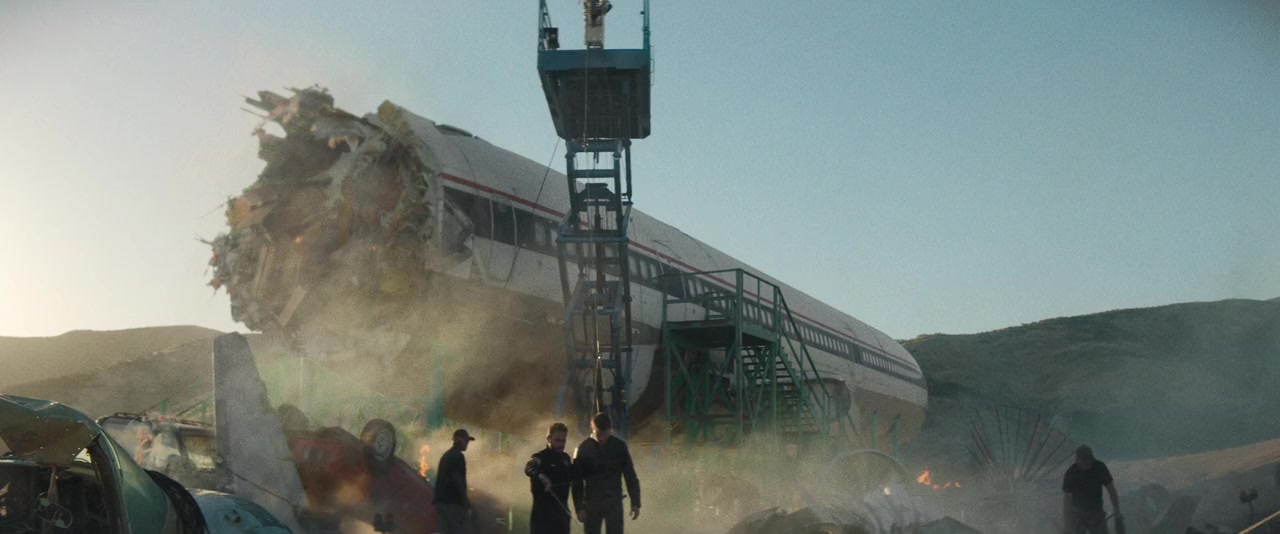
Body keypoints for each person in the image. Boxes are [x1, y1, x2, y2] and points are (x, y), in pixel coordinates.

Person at [571, 413, 640, 534]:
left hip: (614, 502)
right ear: (592, 429)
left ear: (610, 429)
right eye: (598, 433)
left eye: (605, 433)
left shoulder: (619, 447)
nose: (601, 438)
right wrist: (579, 508)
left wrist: (635, 502)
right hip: (592, 504)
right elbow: (577, 482)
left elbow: (630, 476)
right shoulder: (583, 449)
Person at [525, 422, 574, 534]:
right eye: (557, 440)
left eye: (563, 441)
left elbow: (575, 476)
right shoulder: (540, 457)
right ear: (549, 439)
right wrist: (541, 476)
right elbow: (529, 467)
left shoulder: (565, 459)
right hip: (542, 518)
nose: (561, 444)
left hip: (562, 518)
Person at [1063, 445, 1121, 534]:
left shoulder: (1100, 468)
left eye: (1089, 460)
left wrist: (1117, 511)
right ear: (1077, 460)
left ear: (1092, 459)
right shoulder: (1071, 473)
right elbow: (1067, 500)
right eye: (1083, 461)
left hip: (1096, 512)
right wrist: (1067, 525)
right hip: (1077, 513)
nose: (1087, 464)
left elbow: (1111, 490)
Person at [434, 429, 476, 534]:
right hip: (453, 504)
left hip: (441, 502)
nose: (467, 443)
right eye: (466, 440)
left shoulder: (446, 455)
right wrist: (465, 500)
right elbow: (456, 477)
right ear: (458, 440)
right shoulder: (458, 456)